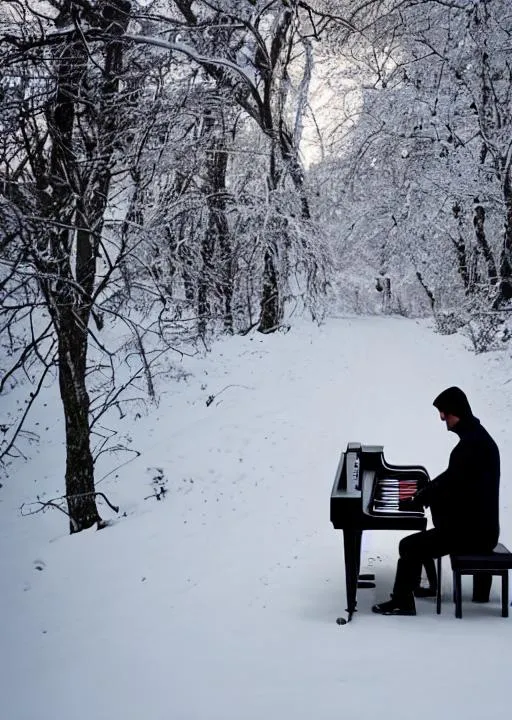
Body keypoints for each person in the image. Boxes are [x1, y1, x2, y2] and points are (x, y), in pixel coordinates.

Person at [372, 386, 500, 616]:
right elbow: (453, 477)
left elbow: (452, 483)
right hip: (483, 528)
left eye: (445, 413)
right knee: (426, 539)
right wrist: (425, 494)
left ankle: (402, 601)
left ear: (457, 411)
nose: (442, 417)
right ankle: (426, 588)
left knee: (408, 546)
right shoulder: (477, 439)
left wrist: (420, 498)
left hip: (473, 533)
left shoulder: (471, 446)